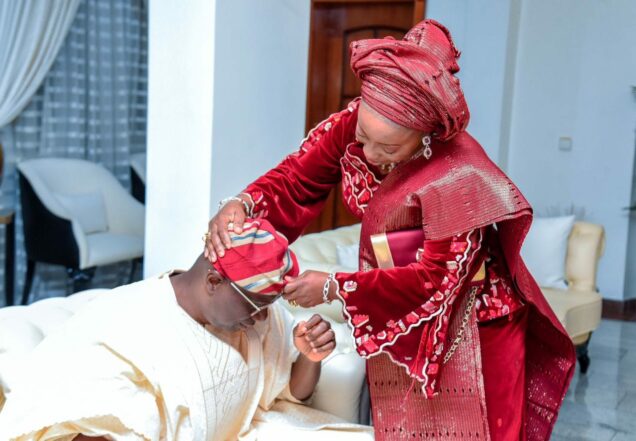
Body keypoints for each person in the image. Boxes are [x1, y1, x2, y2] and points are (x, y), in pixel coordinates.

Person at [206, 19, 576, 441]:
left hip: (475, 323)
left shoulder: (459, 174)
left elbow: (434, 280)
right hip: (399, 315)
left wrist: (332, 287)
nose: (368, 154)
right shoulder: (355, 124)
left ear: (426, 135)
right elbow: (297, 179)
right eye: (363, 136)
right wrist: (243, 203)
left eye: (388, 148)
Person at [0, 219, 373, 441]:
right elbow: (82, 417)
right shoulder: (124, 326)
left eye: (269, 307)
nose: (261, 319)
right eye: (254, 306)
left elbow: (292, 390)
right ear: (214, 280)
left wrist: (310, 358)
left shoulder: (257, 311)